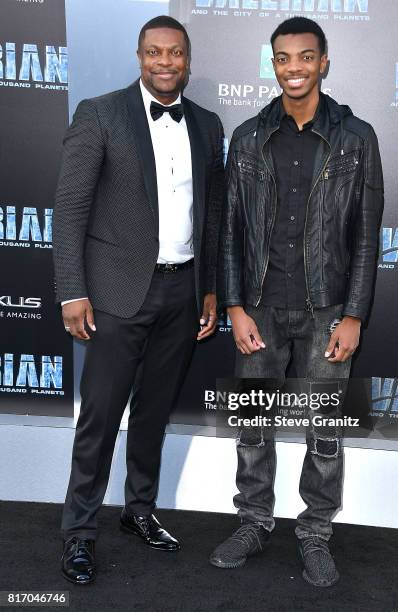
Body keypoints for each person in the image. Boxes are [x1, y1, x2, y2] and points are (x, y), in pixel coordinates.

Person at [211, 16, 383, 587]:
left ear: (324, 62)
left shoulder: (357, 138)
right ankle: (254, 521)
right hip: (258, 308)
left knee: (324, 431)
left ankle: (314, 534)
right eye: (283, 58)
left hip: (328, 310)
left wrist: (354, 314)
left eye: (305, 57)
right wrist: (234, 307)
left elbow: (365, 234)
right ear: (273, 64)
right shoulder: (248, 136)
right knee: (254, 429)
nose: (293, 68)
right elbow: (231, 231)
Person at [54, 15, 224, 585]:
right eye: (154, 52)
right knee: (100, 418)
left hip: (182, 289)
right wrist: (72, 291)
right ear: (139, 55)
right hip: (114, 293)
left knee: (153, 411)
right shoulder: (99, 114)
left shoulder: (207, 124)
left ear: (188, 59)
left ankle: (139, 510)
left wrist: (209, 288)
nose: (165, 63)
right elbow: (72, 207)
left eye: (175, 53)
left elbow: (213, 214)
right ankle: (79, 533)